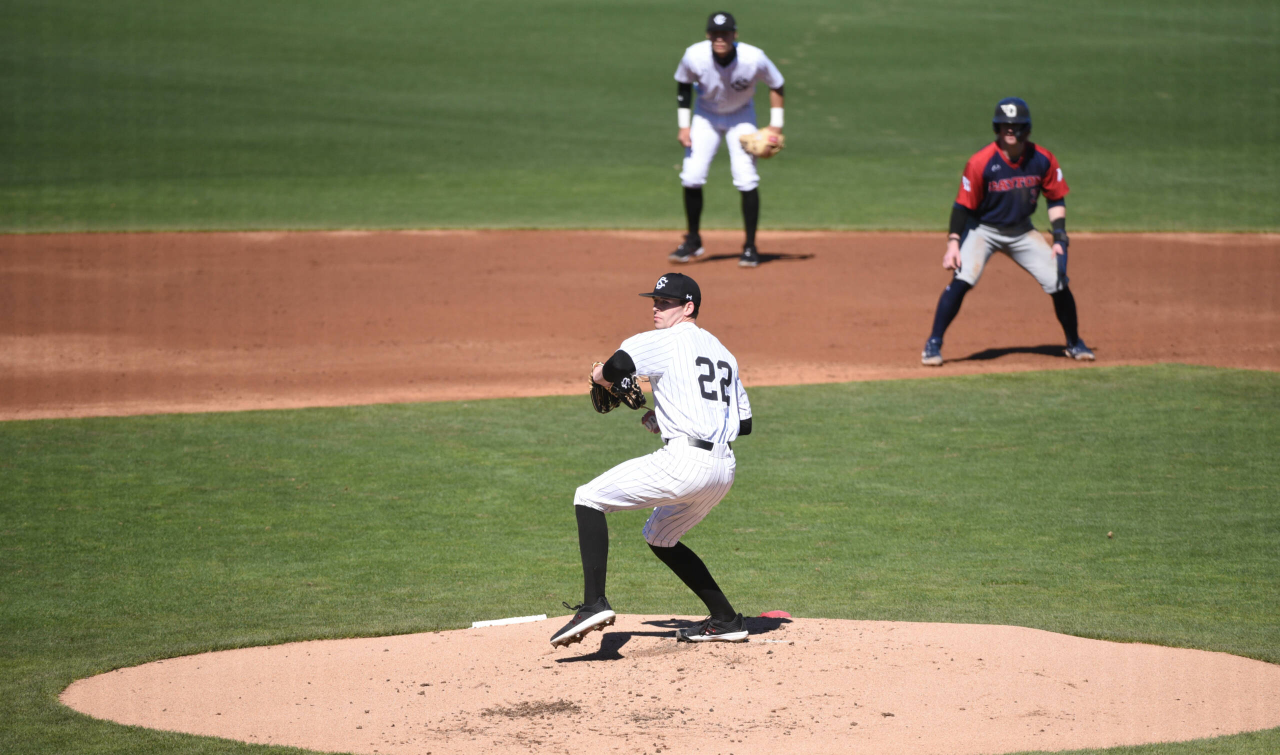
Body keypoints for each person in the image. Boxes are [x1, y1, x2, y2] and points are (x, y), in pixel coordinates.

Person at [550, 272, 754, 648]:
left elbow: (616, 366)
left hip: (686, 464)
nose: (656, 308)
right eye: (655, 301)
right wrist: (666, 417)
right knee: (660, 536)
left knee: (588, 497)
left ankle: (593, 603)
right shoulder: (723, 352)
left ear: (688, 307)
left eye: (666, 303)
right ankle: (726, 618)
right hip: (723, 470)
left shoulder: (663, 341)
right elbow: (744, 423)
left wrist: (599, 375)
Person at [922, 97, 1095, 366]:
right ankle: (933, 343)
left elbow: (1056, 198)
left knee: (1058, 281)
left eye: (1016, 126)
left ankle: (1074, 342)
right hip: (983, 229)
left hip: (1022, 231)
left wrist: (1059, 237)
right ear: (997, 128)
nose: (1010, 131)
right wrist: (953, 243)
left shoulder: (1042, 159)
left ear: (1027, 129)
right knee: (963, 278)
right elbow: (961, 206)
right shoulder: (980, 163)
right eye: (1005, 126)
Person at [669, 12, 785, 268]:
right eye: (715, 33)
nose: (720, 38)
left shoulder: (753, 57)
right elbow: (683, 84)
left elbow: (777, 83)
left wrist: (776, 124)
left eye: (725, 33)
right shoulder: (694, 55)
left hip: (741, 117)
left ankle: (750, 247)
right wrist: (683, 126)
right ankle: (693, 241)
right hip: (705, 117)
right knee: (691, 176)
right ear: (708, 35)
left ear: (735, 35)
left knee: (746, 179)